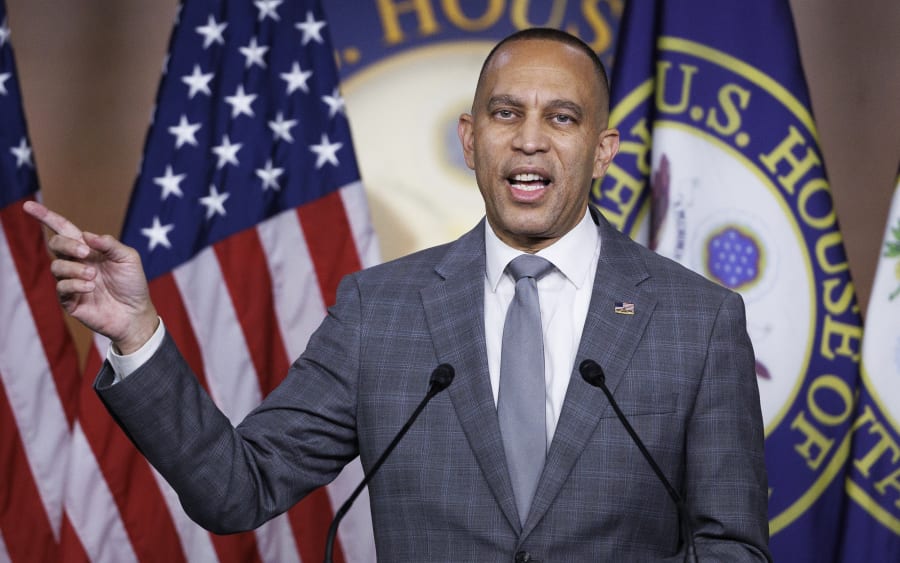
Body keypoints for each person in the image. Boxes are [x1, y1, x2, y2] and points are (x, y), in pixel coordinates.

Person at [26, 28, 770, 562]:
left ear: (602, 150)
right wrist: (136, 332)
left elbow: (733, 546)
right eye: (507, 114)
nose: (531, 140)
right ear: (472, 139)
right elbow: (236, 489)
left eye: (562, 118)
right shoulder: (379, 311)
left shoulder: (697, 321)